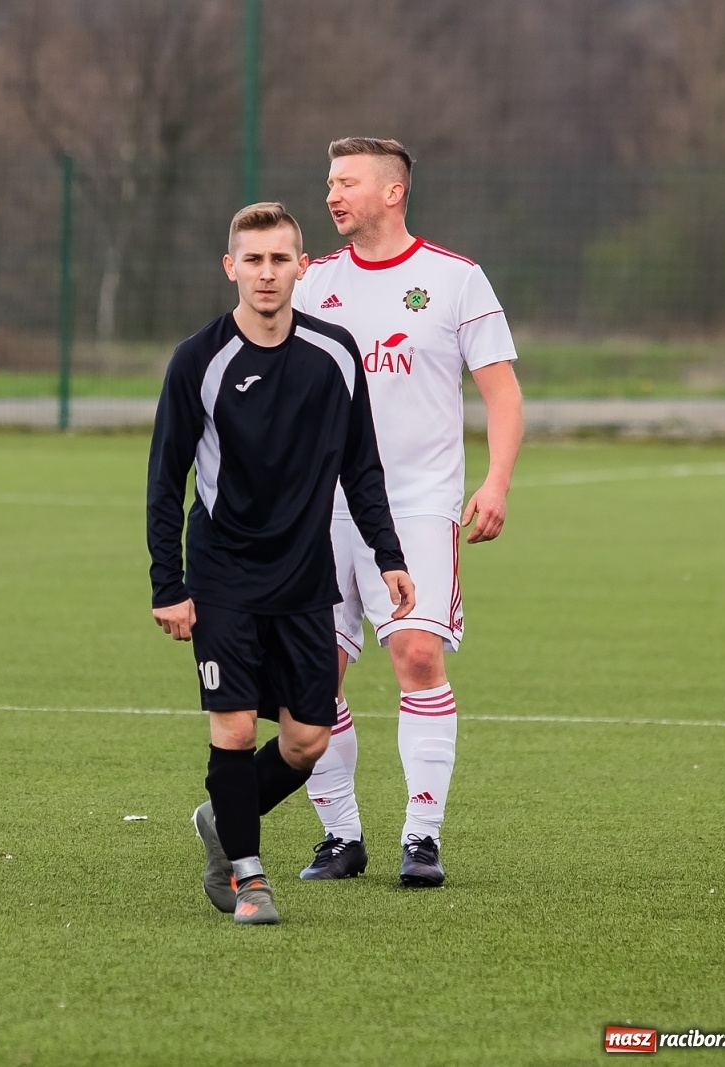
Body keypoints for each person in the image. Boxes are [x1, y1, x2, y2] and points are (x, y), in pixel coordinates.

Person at [147, 202, 414, 925]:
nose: (266, 273)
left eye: (279, 259)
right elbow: (166, 479)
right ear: (230, 267)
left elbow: (362, 466)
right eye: (253, 259)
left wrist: (388, 554)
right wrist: (168, 584)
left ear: (302, 266)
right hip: (223, 575)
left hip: (304, 578)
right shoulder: (198, 360)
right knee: (234, 729)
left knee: (306, 740)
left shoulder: (335, 353)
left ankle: (222, 816)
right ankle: (248, 877)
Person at [292, 137, 523, 887]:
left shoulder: (455, 279)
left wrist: (495, 482)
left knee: (418, 655)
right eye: (330, 182)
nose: (333, 195)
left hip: (418, 503)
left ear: (393, 192)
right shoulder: (312, 281)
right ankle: (341, 837)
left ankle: (422, 837)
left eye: (348, 182)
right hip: (322, 506)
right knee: (313, 675)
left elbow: (502, 393)